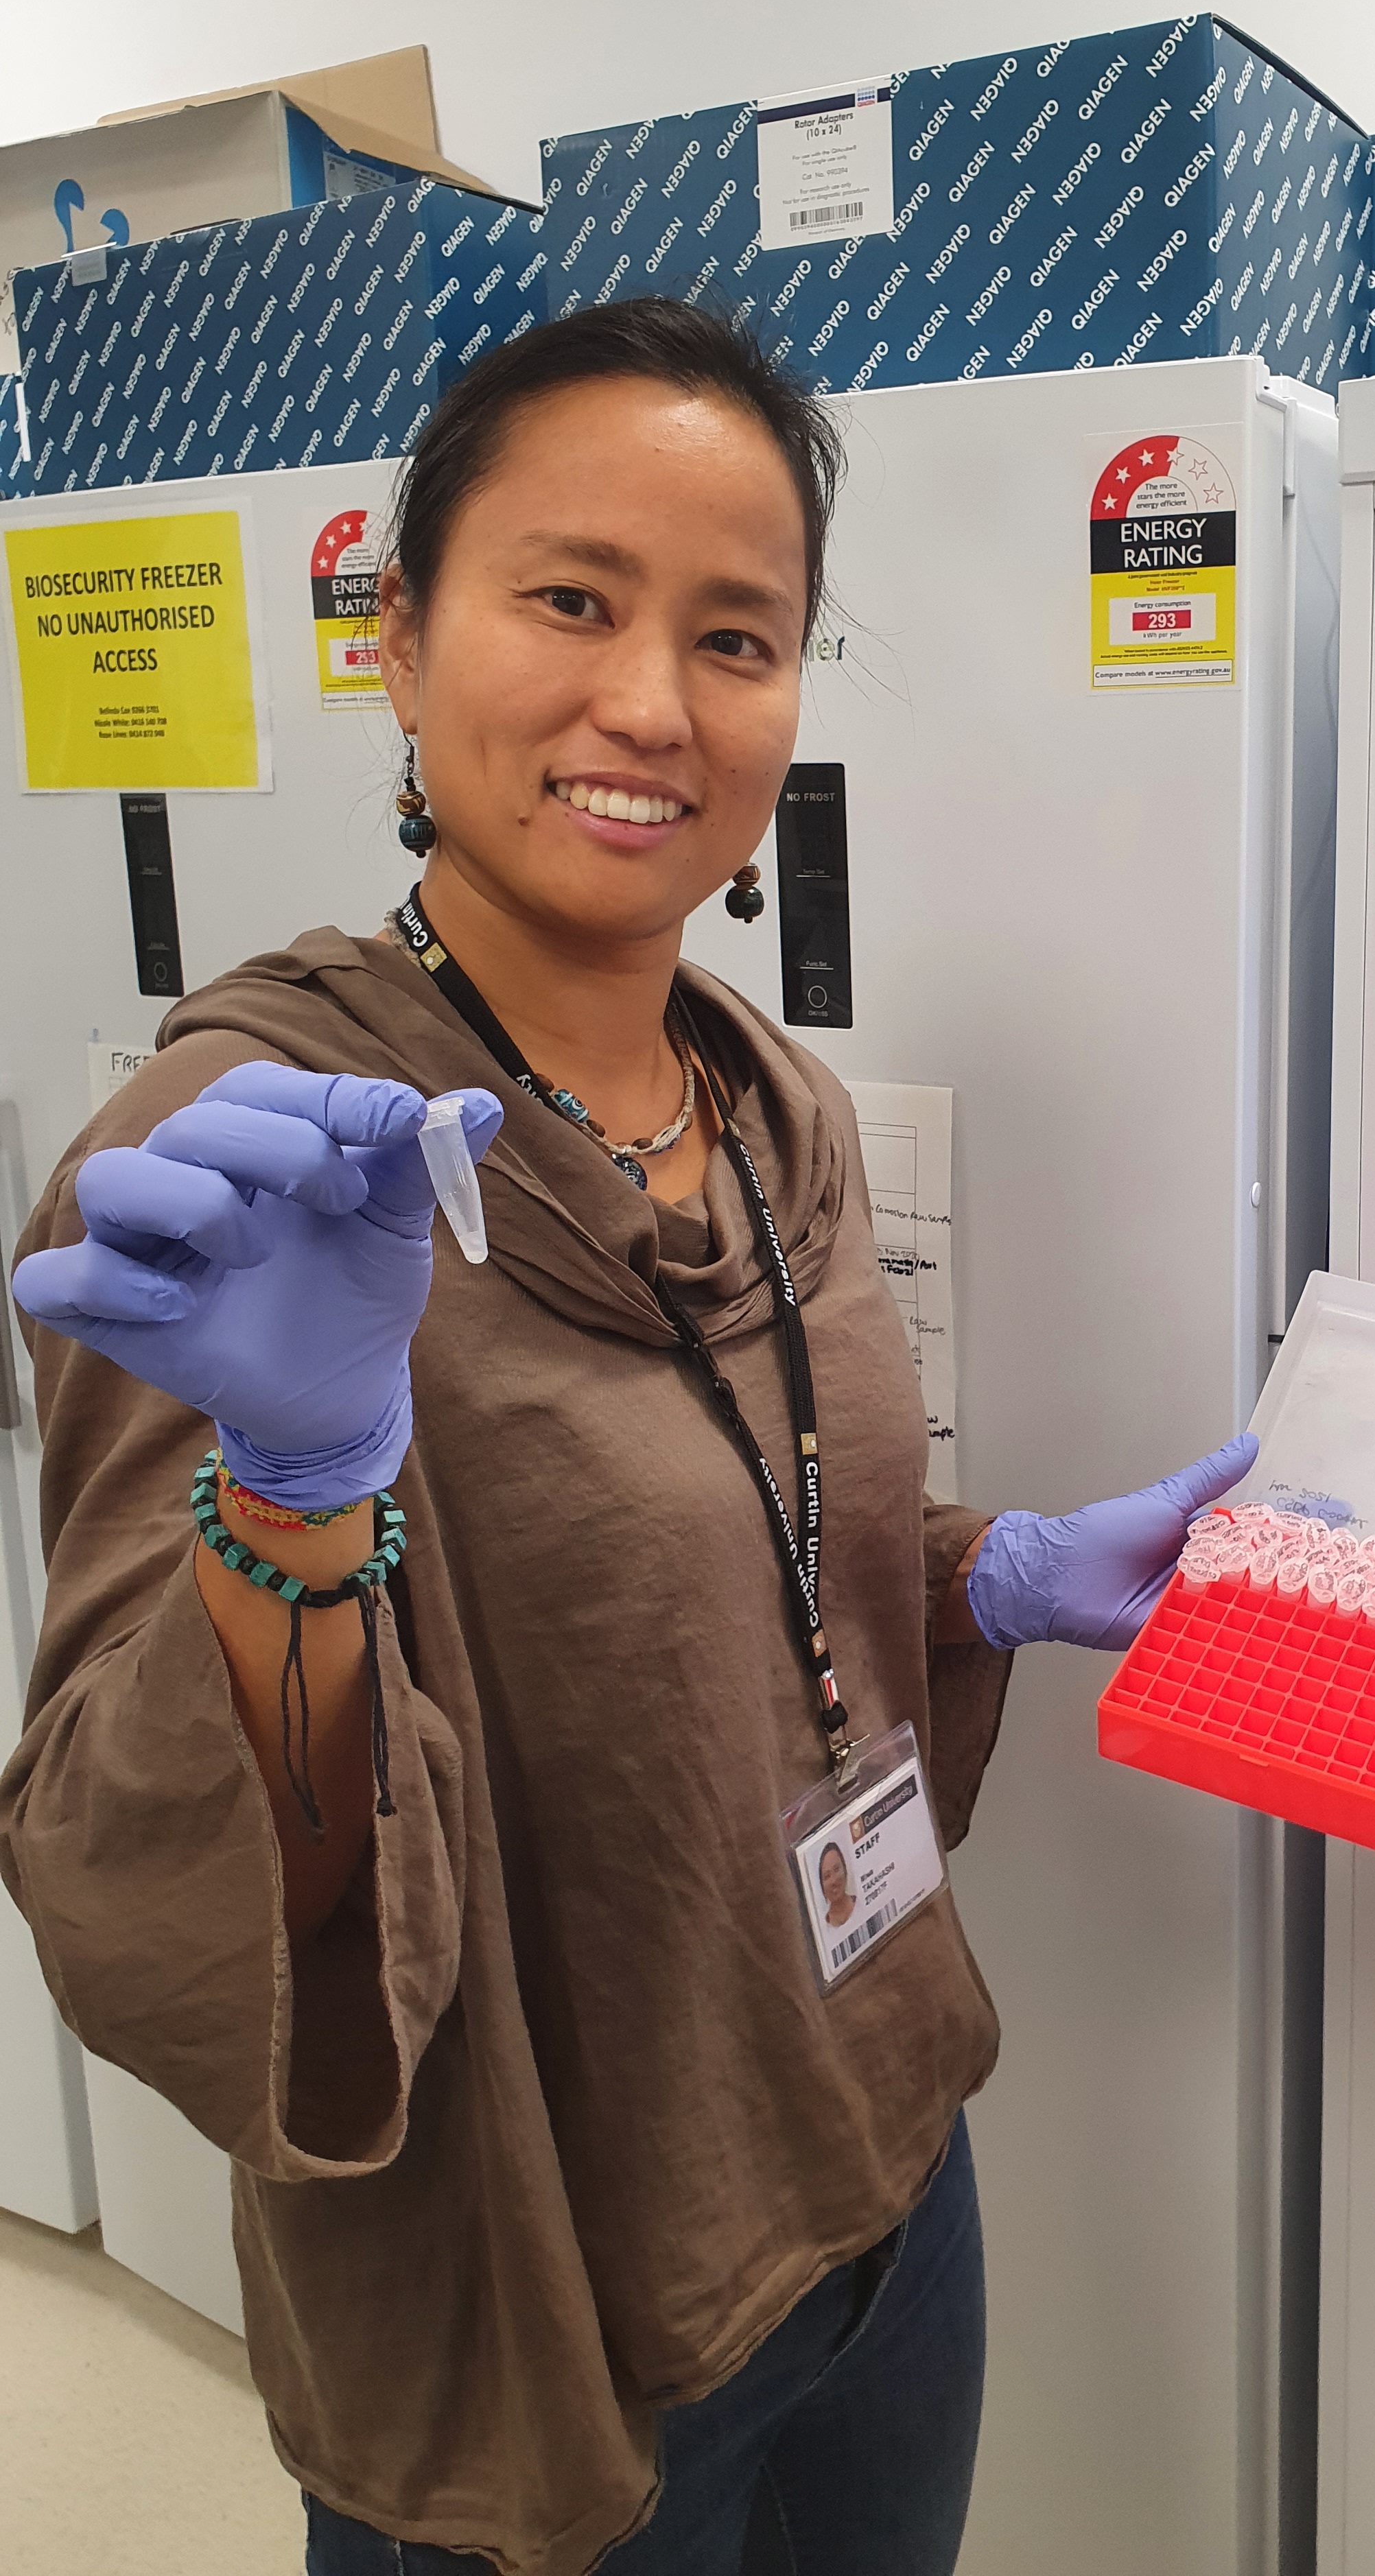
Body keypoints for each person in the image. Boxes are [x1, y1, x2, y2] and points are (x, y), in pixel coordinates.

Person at [0, 298, 1252, 2576]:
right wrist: (294, 1506)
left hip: (879, 2154)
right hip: (560, 2290)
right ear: (397, 636)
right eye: (570, 598)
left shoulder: (762, 1097)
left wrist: (982, 1574)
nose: (653, 703)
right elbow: (121, 1852)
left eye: (737, 634)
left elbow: (718, 1553)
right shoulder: (252, 1158)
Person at [818, 1842, 856, 1931]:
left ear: (845, 1869)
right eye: (827, 1876)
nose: (834, 1881)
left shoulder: (860, 1903)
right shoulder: (825, 1927)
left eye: (837, 1870)